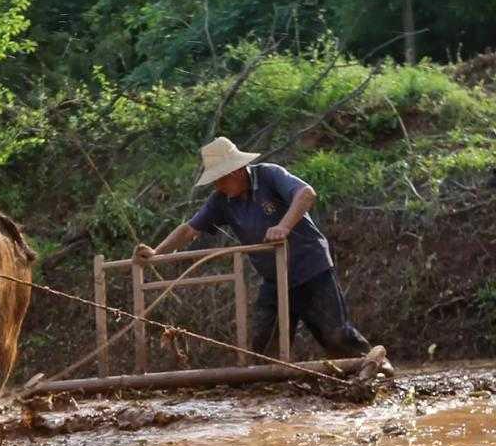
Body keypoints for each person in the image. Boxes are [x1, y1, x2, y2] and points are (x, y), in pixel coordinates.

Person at [134, 136, 370, 358]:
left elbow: (306, 193)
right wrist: (156, 252)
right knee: (264, 346)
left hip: (311, 268)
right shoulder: (221, 200)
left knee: (335, 335)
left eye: (220, 179)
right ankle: (271, 387)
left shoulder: (269, 175)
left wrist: (283, 227)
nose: (218, 185)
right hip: (275, 278)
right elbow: (189, 230)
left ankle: (372, 363)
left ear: (235, 171)